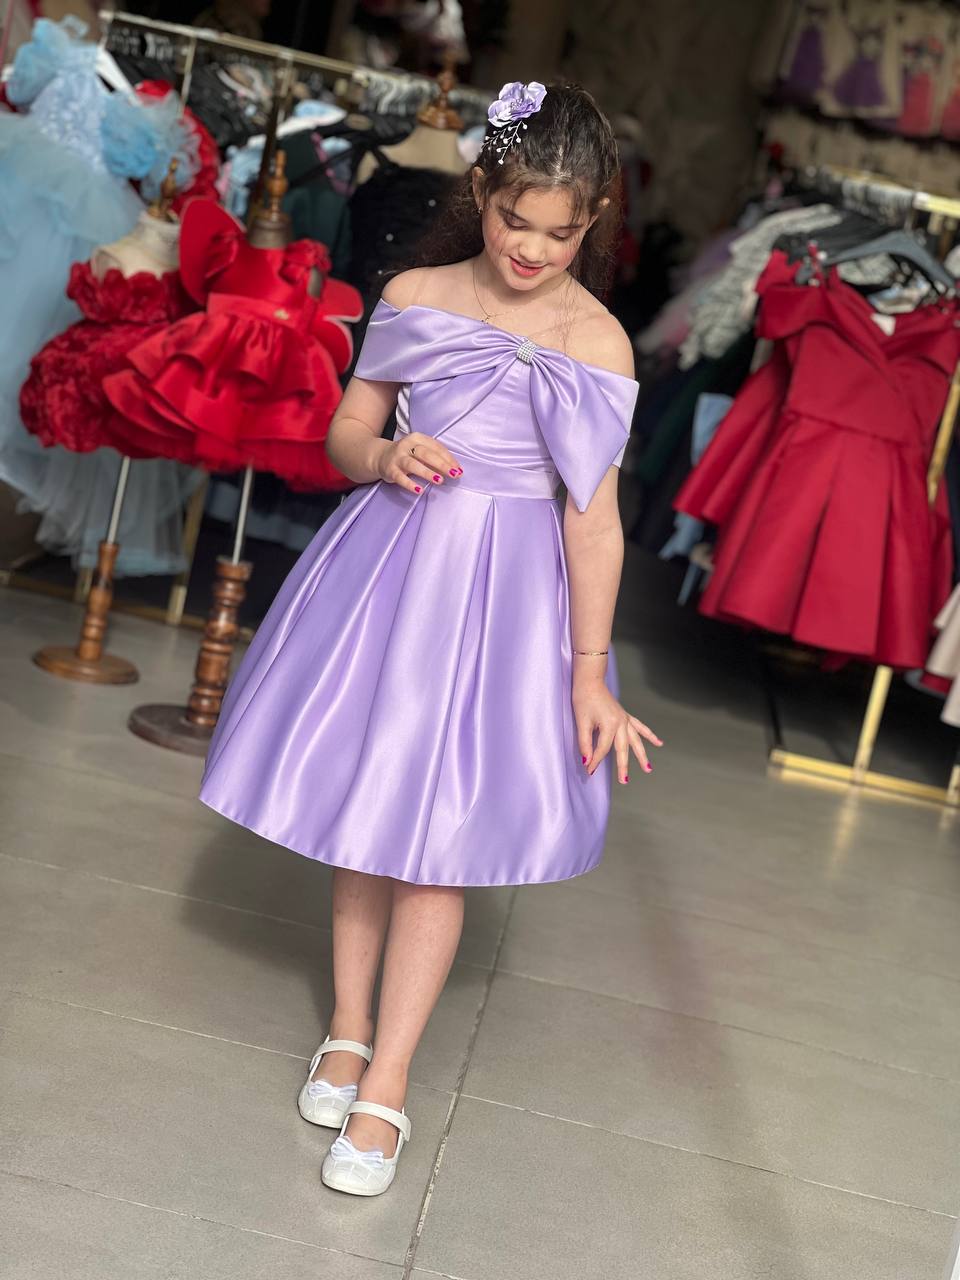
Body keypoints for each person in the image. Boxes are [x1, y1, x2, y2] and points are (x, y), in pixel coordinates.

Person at [199, 80, 662, 1198]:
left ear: (594, 221)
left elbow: (592, 521)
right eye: (514, 220)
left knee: (439, 843)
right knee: (370, 815)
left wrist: (589, 674)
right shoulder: (416, 293)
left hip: (508, 604)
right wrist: (383, 456)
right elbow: (348, 428)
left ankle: (390, 1079)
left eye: (560, 233)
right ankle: (349, 1027)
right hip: (392, 572)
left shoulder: (601, 345)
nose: (531, 249)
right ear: (482, 190)